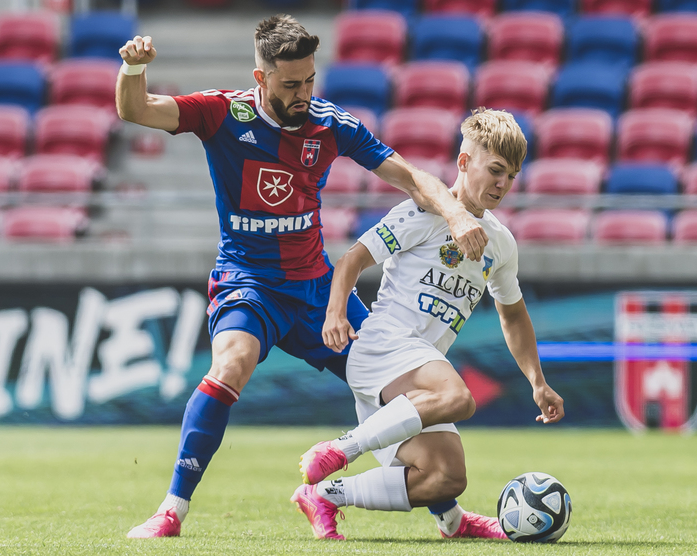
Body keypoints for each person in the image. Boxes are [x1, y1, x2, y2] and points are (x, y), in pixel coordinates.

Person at [116, 15, 491, 538]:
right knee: (231, 365)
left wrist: (454, 214)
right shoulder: (222, 112)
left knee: (405, 395)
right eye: (291, 84)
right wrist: (133, 69)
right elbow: (135, 109)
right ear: (261, 77)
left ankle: (449, 518)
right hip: (249, 284)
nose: (304, 94)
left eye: (310, 79)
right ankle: (171, 510)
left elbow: (409, 177)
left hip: (319, 294)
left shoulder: (330, 124)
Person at [290, 108, 566, 541]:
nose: (502, 184)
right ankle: (341, 448)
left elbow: (512, 314)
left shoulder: (501, 243)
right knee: (459, 397)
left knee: (446, 477)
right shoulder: (421, 214)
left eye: (511, 176)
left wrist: (537, 381)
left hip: (417, 379)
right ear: (464, 162)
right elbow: (351, 261)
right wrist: (335, 313)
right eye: (495, 170)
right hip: (384, 347)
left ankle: (327, 496)